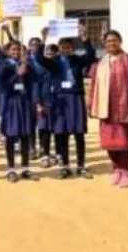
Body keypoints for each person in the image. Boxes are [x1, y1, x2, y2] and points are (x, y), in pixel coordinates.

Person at [36, 25, 97, 179]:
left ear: (72, 48)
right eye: (63, 47)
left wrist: (84, 38)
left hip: (75, 99)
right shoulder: (53, 62)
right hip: (60, 100)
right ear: (59, 48)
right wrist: (43, 40)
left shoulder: (77, 60)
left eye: (68, 47)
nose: (65, 49)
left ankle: (81, 166)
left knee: (79, 134)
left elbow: (91, 55)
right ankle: (65, 166)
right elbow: (39, 59)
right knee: (61, 134)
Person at [88, 30, 128, 188]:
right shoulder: (100, 63)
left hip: (124, 106)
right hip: (105, 108)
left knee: (125, 140)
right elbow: (94, 85)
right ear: (104, 44)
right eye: (108, 41)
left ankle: (126, 171)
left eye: (114, 40)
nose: (111, 43)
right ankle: (116, 168)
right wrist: (91, 102)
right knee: (109, 141)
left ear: (120, 41)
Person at [0, 41, 40, 182]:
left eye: (18, 50)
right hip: (11, 103)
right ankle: (11, 169)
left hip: (25, 103)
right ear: (8, 51)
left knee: (25, 136)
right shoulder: (4, 66)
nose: (16, 52)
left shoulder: (28, 65)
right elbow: (2, 85)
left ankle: (25, 168)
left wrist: (36, 102)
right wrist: (17, 74)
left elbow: (34, 84)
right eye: (13, 49)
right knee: (10, 136)